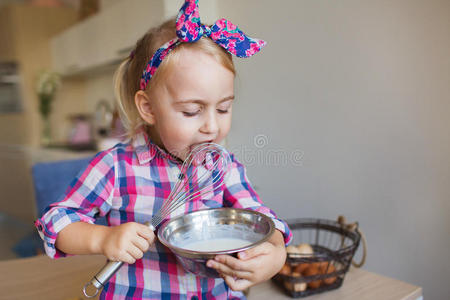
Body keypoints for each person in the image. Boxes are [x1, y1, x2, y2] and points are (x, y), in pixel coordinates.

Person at [35, 0, 292, 299]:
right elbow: (57, 222)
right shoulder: (116, 167)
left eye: (223, 108)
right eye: (191, 111)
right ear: (148, 108)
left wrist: (276, 251)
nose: (211, 126)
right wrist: (102, 238)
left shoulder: (222, 166)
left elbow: (259, 217)